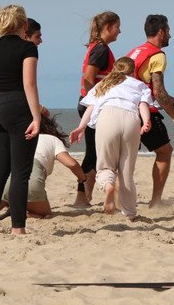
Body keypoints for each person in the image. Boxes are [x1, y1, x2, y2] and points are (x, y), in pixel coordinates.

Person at [0, 113, 87, 220]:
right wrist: (82, 178)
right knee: (45, 212)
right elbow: (72, 164)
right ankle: (23, 212)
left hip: (5, 181)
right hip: (29, 183)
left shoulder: (20, 139)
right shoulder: (52, 139)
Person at [0, 4, 41, 235]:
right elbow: (29, 84)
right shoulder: (27, 48)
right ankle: (17, 228)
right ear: (24, 24)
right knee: (20, 171)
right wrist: (36, 117)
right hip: (17, 105)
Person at [126, 14, 174, 207]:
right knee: (165, 152)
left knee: (125, 157)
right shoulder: (157, 55)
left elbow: (142, 84)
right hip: (143, 111)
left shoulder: (134, 51)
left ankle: (117, 201)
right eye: (169, 32)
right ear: (161, 32)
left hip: (123, 109)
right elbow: (157, 91)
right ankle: (155, 201)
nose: (170, 36)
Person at [70, 57, 152, 220]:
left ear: (114, 69)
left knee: (105, 166)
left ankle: (108, 186)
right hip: (131, 119)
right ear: (133, 71)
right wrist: (146, 120)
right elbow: (143, 104)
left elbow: (91, 106)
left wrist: (81, 126)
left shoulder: (104, 83)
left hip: (107, 117)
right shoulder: (139, 85)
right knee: (126, 171)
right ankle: (130, 214)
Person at [74, 11, 121, 207]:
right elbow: (88, 77)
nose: (120, 31)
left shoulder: (99, 48)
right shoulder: (100, 49)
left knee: (93, 152)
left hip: (89, 104)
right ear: (108, 27)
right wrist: (96, 101)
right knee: (94, 154)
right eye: (118, 27)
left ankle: (85, 197)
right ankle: (81, 197)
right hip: (91, 106)